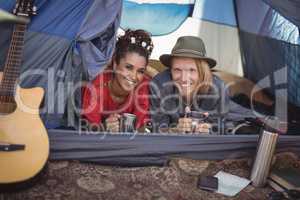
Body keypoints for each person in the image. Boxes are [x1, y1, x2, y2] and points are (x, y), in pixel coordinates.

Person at [150, 36, 230, 134]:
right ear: (170, 70)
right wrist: (175, 130)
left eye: (191, 70)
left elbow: (221, 131)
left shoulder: (219, 90)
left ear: (202, 71)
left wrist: (209, 131)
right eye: (177, 70)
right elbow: (156, 130)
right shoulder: (158, 85)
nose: (184, 78)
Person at [81, 29, 154, 132]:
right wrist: (104, 127)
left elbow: (142, 129)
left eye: (140, 71)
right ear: (115, 64)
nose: (134, 76)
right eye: (128, 67)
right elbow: (88, 130)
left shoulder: (143, 86)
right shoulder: (97, 86)